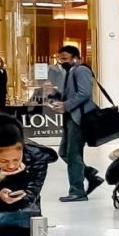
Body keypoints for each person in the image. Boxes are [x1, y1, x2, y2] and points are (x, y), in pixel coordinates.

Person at [47, 45, 103, 202]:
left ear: (76, 58)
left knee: (73, 154)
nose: (62, 62)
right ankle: (90, 174)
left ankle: (77, 191)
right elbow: (70, 94)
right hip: (72, 117)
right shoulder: (70, 72)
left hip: (79, 118)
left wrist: (66, 105)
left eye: (65, 58)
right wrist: (54, 94)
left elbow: (85, 93)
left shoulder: (81, 70)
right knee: (64, 152)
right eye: (60, 59)